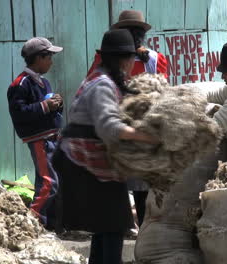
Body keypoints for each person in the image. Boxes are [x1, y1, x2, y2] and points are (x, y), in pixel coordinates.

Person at [52, 29, 158, 264]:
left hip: (95, 163)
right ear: (124, 60)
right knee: (113, 223)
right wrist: (148, 137)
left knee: (107, 227)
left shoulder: (105, 79)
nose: (133, 64)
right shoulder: (102, 85)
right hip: (83, 164)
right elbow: (109, 128)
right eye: (131, 59)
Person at [88, 10, 168, 231]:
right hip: (115, 128)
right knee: (118, 183)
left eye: (138, 32)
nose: (135, 35)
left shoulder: (154, 59)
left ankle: (140, 229)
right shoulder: (103, 60)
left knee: (141, 185)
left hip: (140, 129)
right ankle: (123, 227)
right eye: (132, 32)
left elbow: (162, 91)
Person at [7, 37, 64, 229]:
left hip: (52, 138)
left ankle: (53, 225)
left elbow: (48, 110)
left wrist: (57, 104)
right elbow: (19, 113)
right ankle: (32, 223)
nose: (51, 62)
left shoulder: (44, 83)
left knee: (53, 182)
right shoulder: (20, 84)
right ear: (38, 58)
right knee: (49, 183)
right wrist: (45, 106)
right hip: (40, 141)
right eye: (49, 57)